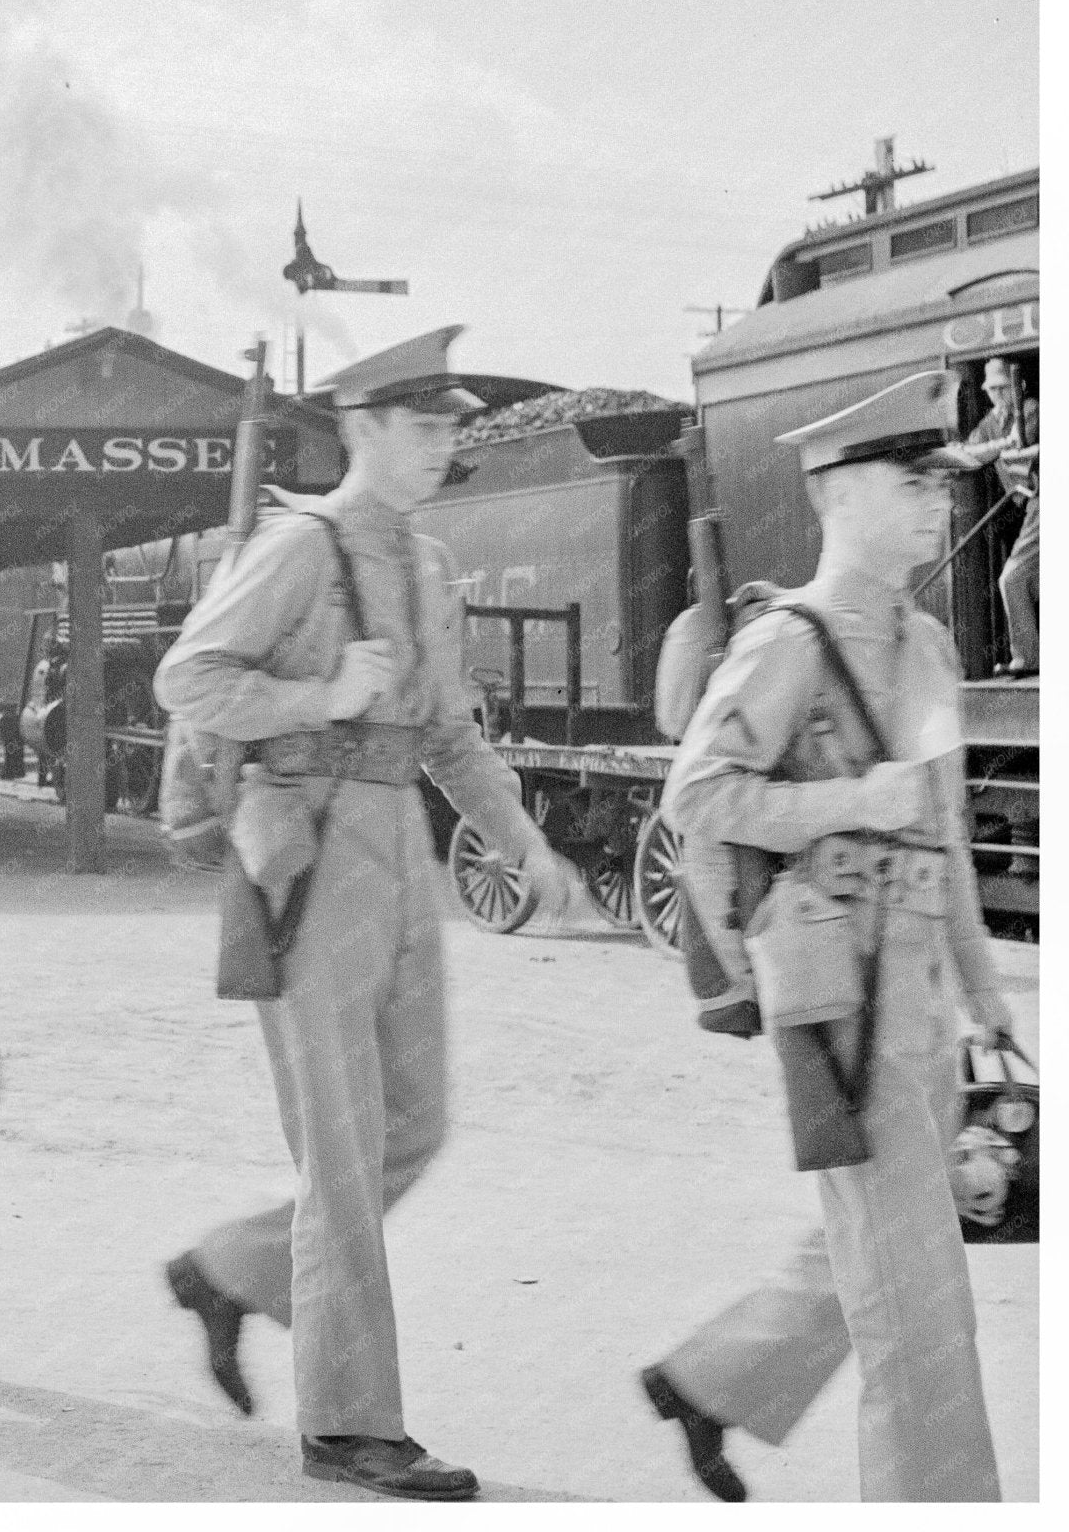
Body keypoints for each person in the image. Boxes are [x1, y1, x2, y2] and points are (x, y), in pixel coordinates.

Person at [153, 328, 580, 1501]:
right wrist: (315, 692)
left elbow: (447, 734)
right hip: (303, 852)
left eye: (451, 425)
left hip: (395, 848)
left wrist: (521, 840)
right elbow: (187, 677)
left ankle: (229, 1268)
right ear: (360, 430)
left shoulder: (430, 565)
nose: (445, 443)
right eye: (423, 423)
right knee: (341, 1149)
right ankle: (349, 1420)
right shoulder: (299, 545)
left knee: (413, 1123)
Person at [638, 370, 1013, 1503]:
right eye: (913, 485)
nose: (937, 507)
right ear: (841, 494)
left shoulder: (928, 648)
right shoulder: (786, 641)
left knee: (893, 1238)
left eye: (938, 489)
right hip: (831, 988)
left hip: (912, 986)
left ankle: (716, 1379)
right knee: (916, 1295)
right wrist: (846, 803)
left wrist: (981, 986)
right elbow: (695, 798)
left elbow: (937, 821)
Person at [948, 355, 1038, 676]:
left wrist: (1005, 447)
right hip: (1027, 509)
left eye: (1003, 388)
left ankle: (1029, 657)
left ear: (1018, 386)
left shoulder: (1031, 409)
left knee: (1013, 579)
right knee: (1029, 582)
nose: (997, 396)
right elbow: (966, 454)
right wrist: (1001, 444)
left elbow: (1025, 443)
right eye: (992, 390)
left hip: (1041, 503)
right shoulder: (989, 423)